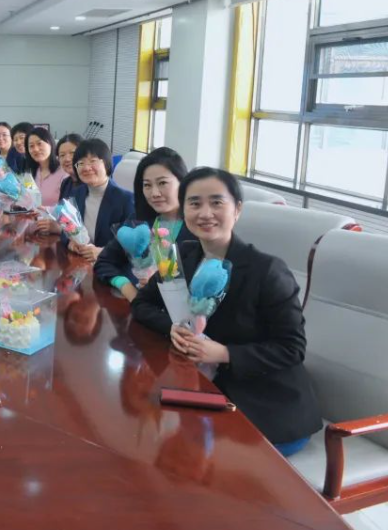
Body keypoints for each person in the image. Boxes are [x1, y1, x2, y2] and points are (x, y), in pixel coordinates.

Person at [132, 168, 321, 456]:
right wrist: (171, 328)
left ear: (238, 210)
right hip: (203, 389)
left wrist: (224, 353)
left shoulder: (267, 271)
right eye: (195, 203)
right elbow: (142, 304)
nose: (205, 213)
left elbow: (292, 348)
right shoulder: (183, 256)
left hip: (266, 407)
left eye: (217, 202)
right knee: (149, 431)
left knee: (187, 457)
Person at [94, 147, 192, 302]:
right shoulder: (139, 220)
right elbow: (104, 262)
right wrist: (126, 287)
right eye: (147, 185)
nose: (154, 193)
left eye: (162, 183)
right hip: (138, 307)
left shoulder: (196, 229)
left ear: (182, 182)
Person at [64, 138, 135, 260]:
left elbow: (134, 245)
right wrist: (70, 242)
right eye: (80, 163)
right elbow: (65, 228)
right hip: (80, 262)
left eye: (93, 161)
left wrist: (104, 252)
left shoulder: (126, 200)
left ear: (106, 164)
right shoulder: (76, 194)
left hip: (111, 268)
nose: (86, 168)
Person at [25, 127, 67, 220]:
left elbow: (69, 208)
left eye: (39, 144)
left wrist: (46, 210)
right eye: (31, 146)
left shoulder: (64, 172)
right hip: (33, 225)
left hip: (56, 225)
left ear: (50, 143)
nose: (36, 149)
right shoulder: (30, 173)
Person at [56, 133, 84, 202]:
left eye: (72, 153)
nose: (67, 159)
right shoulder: (65, 183)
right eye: (62, 155)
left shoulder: (92, 183)